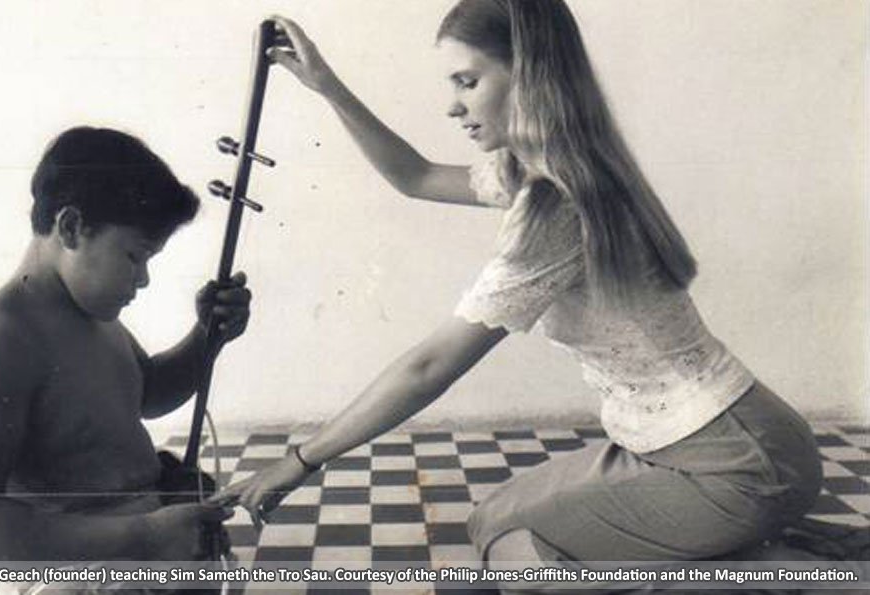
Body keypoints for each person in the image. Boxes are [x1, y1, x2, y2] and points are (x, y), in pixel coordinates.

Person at [218, 1, 838, 590]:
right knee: (490, 524)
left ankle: (789, 578)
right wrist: (326, 84)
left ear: (529, 75)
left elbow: (430, 366)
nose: (453, 107)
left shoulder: (555, 204)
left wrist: (300, 460)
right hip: (696, 444)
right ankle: (756, 554)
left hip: (737, 462)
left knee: (518, 567)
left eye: (467, 81)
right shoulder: (548, 168)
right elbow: (415, 176)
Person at [0, 127, 250, 568]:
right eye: (134, 256)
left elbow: (147, 394)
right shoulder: (0, 336)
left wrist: (206, 338)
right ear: (72, 227)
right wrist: (144, 535)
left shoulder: (91, 313)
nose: (142, 279)